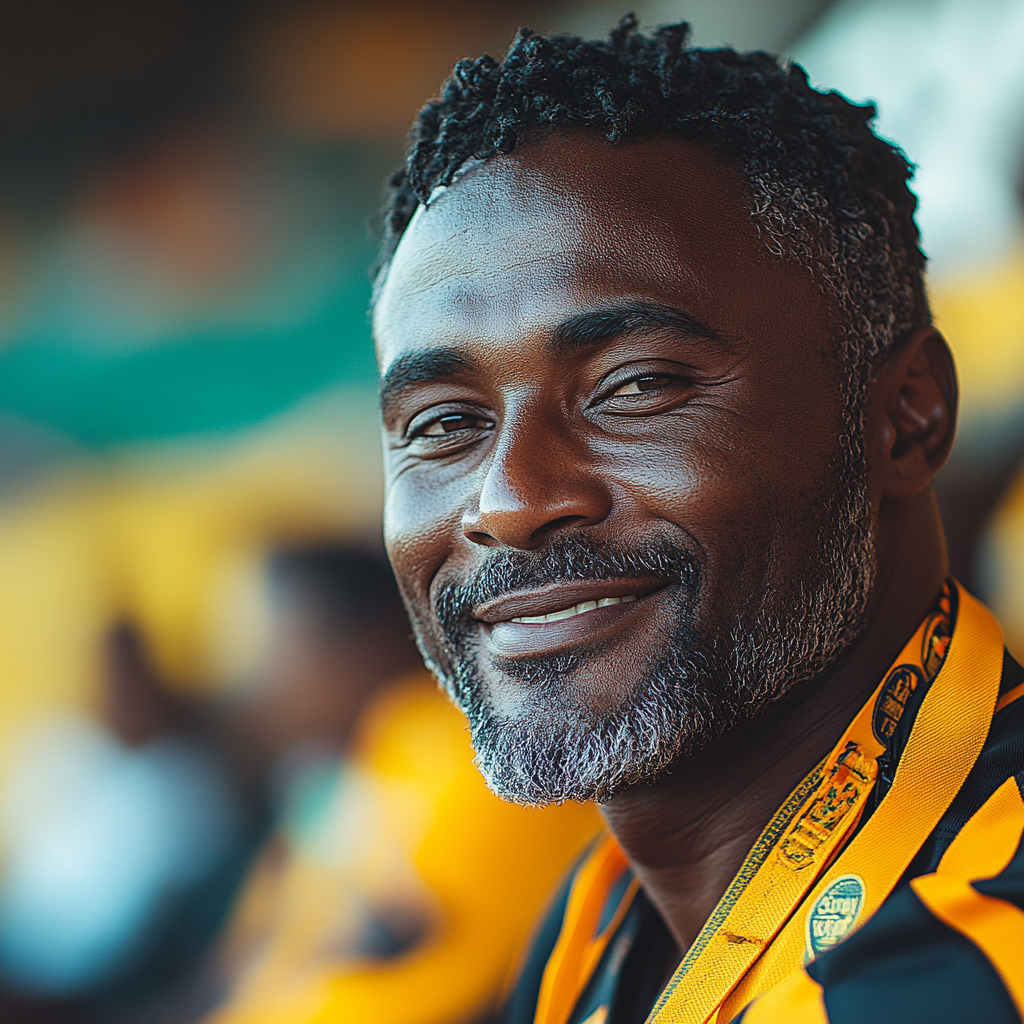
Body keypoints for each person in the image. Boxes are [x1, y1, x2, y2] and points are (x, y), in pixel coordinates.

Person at [371, 18, 1024, 1024]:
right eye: (444, 423)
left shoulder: (978, 960)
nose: (507, 499)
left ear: (905, 417)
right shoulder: (593, 928)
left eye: (632, 386)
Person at [209, 544, 601, 1024]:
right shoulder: (356, 758)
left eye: (272, 649)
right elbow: (252, 950)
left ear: (368, 639)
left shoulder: (470, 758)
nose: (254, 684)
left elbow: (439, 983)